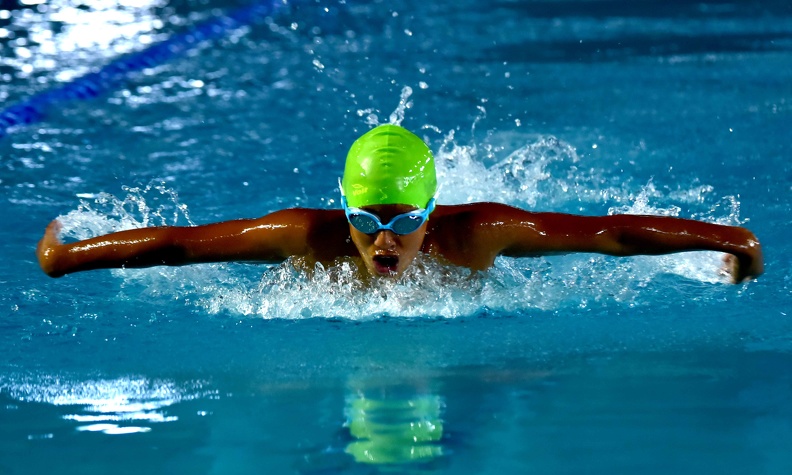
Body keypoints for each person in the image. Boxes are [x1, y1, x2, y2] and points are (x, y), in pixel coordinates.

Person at [36, 124, 764, 283]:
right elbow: (182, 245)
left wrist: (726, 237)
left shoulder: (478, 233)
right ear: (344, 211)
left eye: (404, 222)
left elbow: (607, 235)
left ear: (431, 213)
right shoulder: (306, 237)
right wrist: (66, 257)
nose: (385, 240)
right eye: (367, 221)